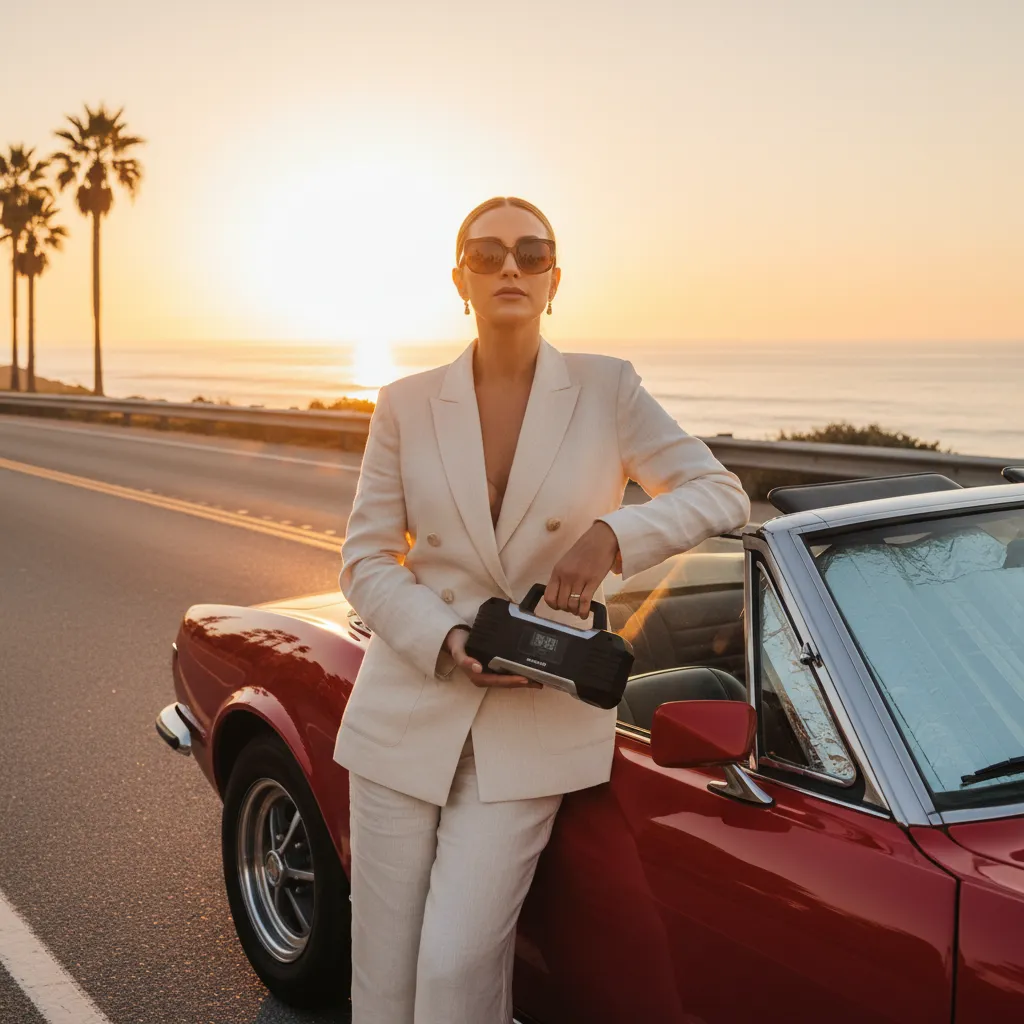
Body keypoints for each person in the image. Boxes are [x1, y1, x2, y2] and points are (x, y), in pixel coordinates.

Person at [332, 195, 751, 1023]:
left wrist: (612, 534)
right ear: (461, 280)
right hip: (405, 708)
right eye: (487, 256)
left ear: (555, 279)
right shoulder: (406, 403)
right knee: (381, 980)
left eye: (531, 253)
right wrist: (448, 635)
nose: (511, 268)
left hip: (536, 718)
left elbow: (720, 492)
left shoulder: (607, 387)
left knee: (455, 973)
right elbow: (365, 559)